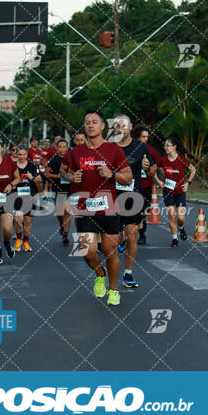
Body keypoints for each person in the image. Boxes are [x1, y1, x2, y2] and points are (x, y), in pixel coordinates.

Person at [66, 109, 132, 306]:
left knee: (110, 251)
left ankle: (113, 290)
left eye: (95, 122)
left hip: (109, 208)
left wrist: (111, 175)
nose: (90, 125)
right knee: (86, 251)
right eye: (87, 122)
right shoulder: (75, 152)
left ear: (103, 126)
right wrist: (71, 177)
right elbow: (66, 172)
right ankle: (99, 274)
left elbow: (128, 178)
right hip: (85, 208)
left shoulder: (114, 150)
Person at [112, 115, 156, 289]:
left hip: (133, 196)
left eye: (123, 125)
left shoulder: (140, 146)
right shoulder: (109, 147)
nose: (120, 128)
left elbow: (152, 171)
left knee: (132, 234)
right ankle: (112, 270)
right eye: (117, 125)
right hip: (113, 196)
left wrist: (147, 168)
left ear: (130, 127)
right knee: (114, 239)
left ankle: (128, 273)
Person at [155, 136, 196, 247]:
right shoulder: (163, 160)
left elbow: (193, 170)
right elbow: (153, 170)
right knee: (172, 215)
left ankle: (181, 228)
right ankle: (174, 239)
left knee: (181, 218)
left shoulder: (181, 159)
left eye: (167, 145)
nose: (165, 147)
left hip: (180, 192)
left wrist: (188, 183)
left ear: (174, 147)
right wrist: (158, 181)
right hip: (167, 191)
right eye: (165, 145)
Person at [133, 125, 160, 245]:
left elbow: (157, 166)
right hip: (133, 185)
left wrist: (157, 178)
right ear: (138, 136)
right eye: (143, 136)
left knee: (144, 211)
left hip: (147, 185)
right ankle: (138, 234)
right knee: (134, 210)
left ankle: (142, 232)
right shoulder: (131, 148)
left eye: (147, 137)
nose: (146, 139)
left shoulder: (151, 150)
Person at [13, 145, 42, 252]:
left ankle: (25, 241)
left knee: (28, 222)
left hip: (30, 197)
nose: (21, 156)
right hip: (16, 197)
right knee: (18, 219)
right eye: (19, 154)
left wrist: (32, 178)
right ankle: (18, 239)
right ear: (16, 154)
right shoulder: (13, 166)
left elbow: (39, 180)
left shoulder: (32, 166)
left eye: (23, 154)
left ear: (27, 154)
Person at [46, 139, 71, 245]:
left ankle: (65, 234)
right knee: (59, 212)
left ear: (67, 147)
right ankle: (62, 225)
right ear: (56, 148)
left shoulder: (71, 158)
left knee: (67, 211)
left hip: (70, 188)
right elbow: (47, 173)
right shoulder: (54, 160)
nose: (62, 149)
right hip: (58, 188)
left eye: (64, 147)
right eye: (60, 147)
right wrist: (58, 176)